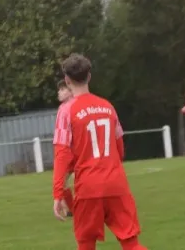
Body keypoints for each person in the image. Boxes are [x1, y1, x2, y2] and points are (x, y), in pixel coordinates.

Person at [53, 54, 147, 250]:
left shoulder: (66, 111)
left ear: (67, 81)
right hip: (116, 184)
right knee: (131, 243)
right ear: (89, 77)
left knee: (86, 244)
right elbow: (119, 148)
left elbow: (61, 153)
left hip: (88, 187)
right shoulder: (108, 107)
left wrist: (58, 193)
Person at [55, 80, 75, 217]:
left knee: (61, 181)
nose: (59, 92)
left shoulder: (73, 106)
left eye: (63, 89)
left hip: (69, 149)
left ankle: (73, 209)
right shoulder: (63, 107)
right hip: (63, 147)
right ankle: (72, 209)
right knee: (63, 182)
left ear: (71, 90)